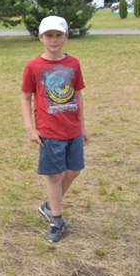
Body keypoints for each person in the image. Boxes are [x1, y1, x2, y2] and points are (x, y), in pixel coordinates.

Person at [20, 16, 89, 243]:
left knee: (74, 170)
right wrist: (30, 128)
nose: (54, 40)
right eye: (49, 35)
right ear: (40, 38)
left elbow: (77, 94)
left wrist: (83, 126)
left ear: (66, 36)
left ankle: (49, 205)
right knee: (54, 176)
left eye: (59, 35)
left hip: (73, 130)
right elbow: (26, 97)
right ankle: (56, 220)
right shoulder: (33, 66)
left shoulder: (74, 64)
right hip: (49, 132)